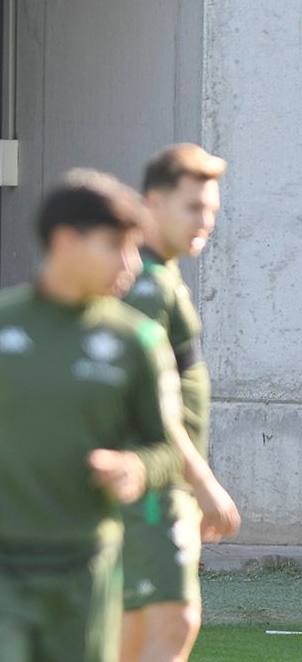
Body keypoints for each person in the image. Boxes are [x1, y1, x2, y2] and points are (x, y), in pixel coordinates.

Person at [0, 168, 184, 662]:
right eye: (114, 246)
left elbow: (165, 449)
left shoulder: (138, 341)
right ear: (65, 242)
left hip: (85, 566)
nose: (130, 264)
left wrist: (137, 469)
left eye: (133, 248)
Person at [120, 145, 241, 662]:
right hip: (153, 490)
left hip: (151, 488)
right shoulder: (148, 288)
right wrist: (203, 483)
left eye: (211, 209)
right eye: (193, 207)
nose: (205, 221)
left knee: (134, 637)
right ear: (153, 203)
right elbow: (150, 405)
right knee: (171, 628)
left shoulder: (159, 278)